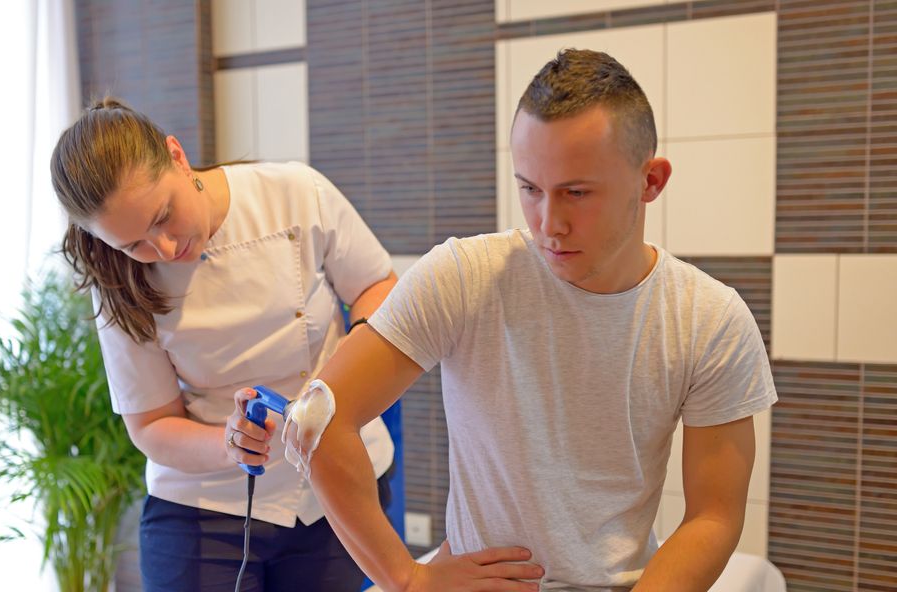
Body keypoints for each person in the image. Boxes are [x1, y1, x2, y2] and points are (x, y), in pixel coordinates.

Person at [283, 48, 778, 591]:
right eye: (530, 189)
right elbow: (318, 418)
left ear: (650, 181)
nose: (549, 223)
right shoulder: (465, 276)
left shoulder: (708, 318)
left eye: (576, 193)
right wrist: (407, 579)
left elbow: (714, 515)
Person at [50, 97, 399, 592]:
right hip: (203, 505)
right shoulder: (118, 280)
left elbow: (375, 285)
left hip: (337, 480)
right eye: (134, 245)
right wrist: (229, 442)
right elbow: (151, 425)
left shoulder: (295, 193)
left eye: (163, 216)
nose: (165, 249)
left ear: (176, 155)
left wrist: (344, 382)